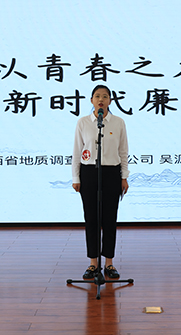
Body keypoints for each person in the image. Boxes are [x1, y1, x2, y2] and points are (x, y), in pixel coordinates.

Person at [72, 84, 129, 280]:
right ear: (91, 100)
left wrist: (124, 176)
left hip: (112, 173)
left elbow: (123, 152)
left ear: (110, 101)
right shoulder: (83, 123)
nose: (101, 99)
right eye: (97, 96)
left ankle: (109, 263)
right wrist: (76, 177)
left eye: (105, 96)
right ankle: (93, 263)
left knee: (109, 219)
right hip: (89, 173)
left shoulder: (119, 122)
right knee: (91, 218)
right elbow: (77, 152)